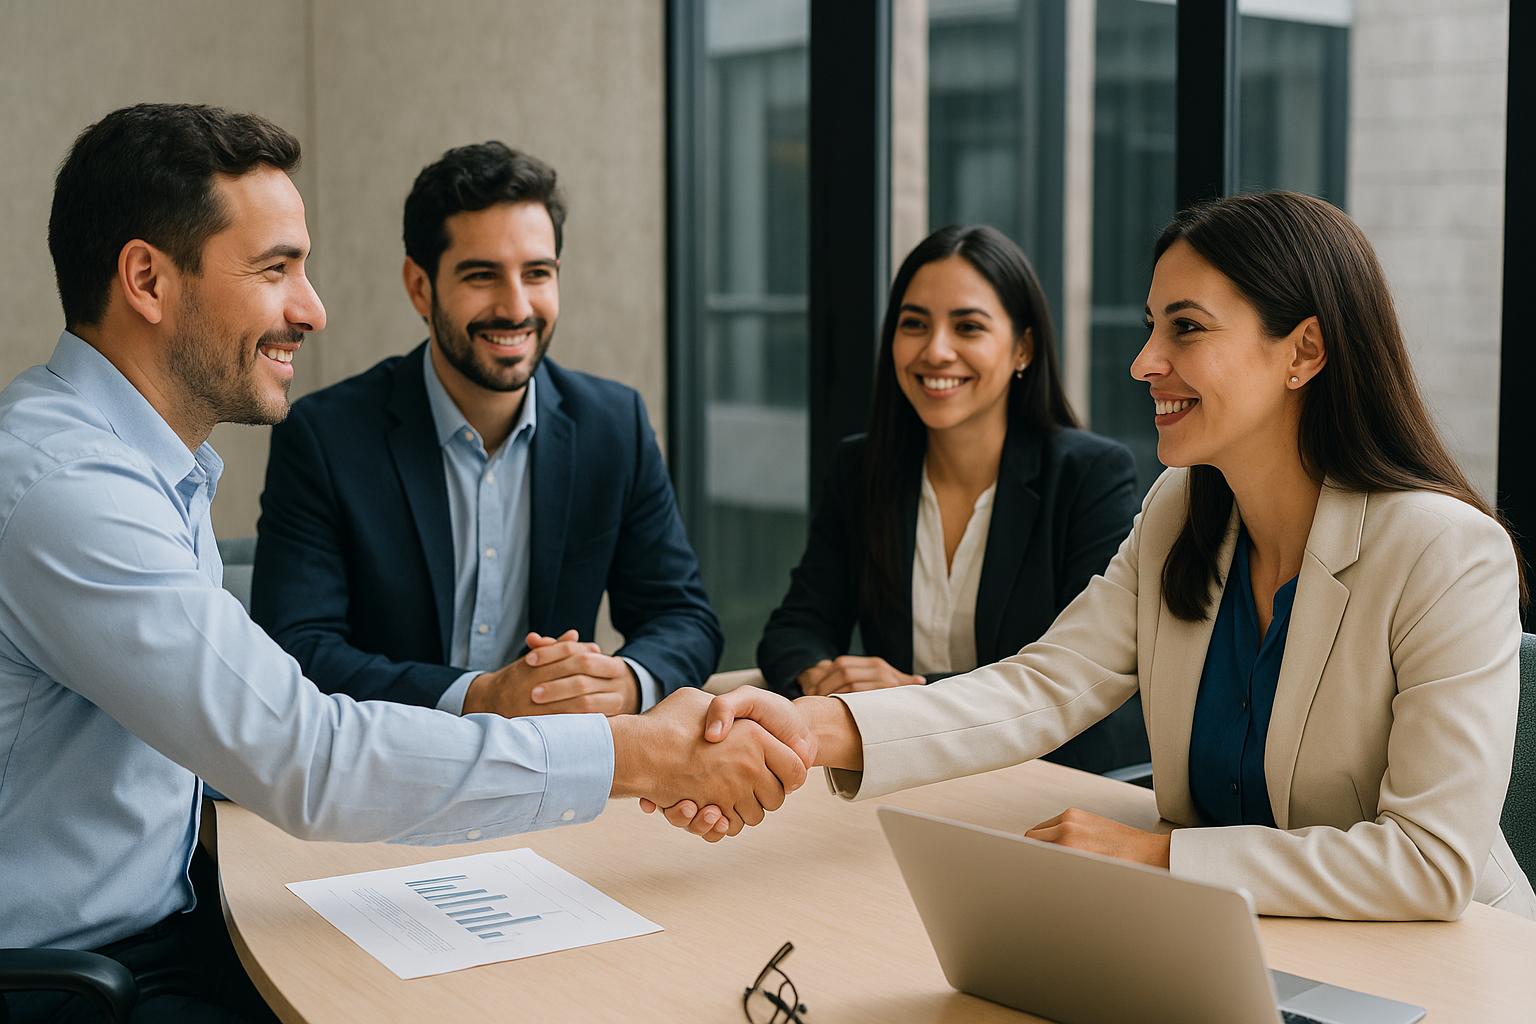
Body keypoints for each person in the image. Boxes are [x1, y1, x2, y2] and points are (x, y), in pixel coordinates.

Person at [0, 104, 804, 1024]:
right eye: (276, 270)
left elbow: (230, 727)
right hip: (70, 979)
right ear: (146, 278)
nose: (312, 309)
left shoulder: (144, 465)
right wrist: (637, 756)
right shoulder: (72, 489)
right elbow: (304, 752)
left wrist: (620, 698)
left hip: (164, 923)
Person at [681, 191, 1536, 923]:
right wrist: (808, 727)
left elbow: (1429, 863)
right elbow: (1042, 683)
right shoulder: (1182, 513)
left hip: (1447, 962)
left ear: (1303, 352)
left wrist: (1154, 857)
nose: (1143, 362)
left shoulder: (1448, 554)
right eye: (1150, 326)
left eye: (1186, 329)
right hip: (1238, 940)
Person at [251, 142, 721, 721]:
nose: (516, 307)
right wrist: (479, 697)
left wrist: (625, 681)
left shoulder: (613, 424)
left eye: (537, 274)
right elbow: (297, 650)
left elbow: (683, 618)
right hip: (392, 779)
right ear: (420, 287)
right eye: (482, 276)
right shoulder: (325, 437)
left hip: (556, 780)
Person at [756, 225, 1147, 774]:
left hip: (1045, 782)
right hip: (893, 780)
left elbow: (1081, 682)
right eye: (914, 324)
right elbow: (795, 628)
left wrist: (908, 695)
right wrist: (822, 675)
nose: (936, 351)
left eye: (967, 327)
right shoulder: (861, 467)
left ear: (1022, 349)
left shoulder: (1089, 475)